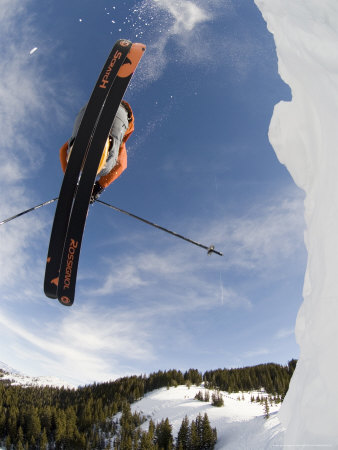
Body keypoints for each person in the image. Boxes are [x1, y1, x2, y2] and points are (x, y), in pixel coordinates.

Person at [59, 100, 134, 203]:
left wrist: (70, 178)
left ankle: (83, 143)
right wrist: (99, 187)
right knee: (104, 167)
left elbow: (63, 150)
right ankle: (104, 144)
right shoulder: (121, 142)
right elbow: (121, 164)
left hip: (90, 109)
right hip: (119, 115)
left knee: (77, 157)